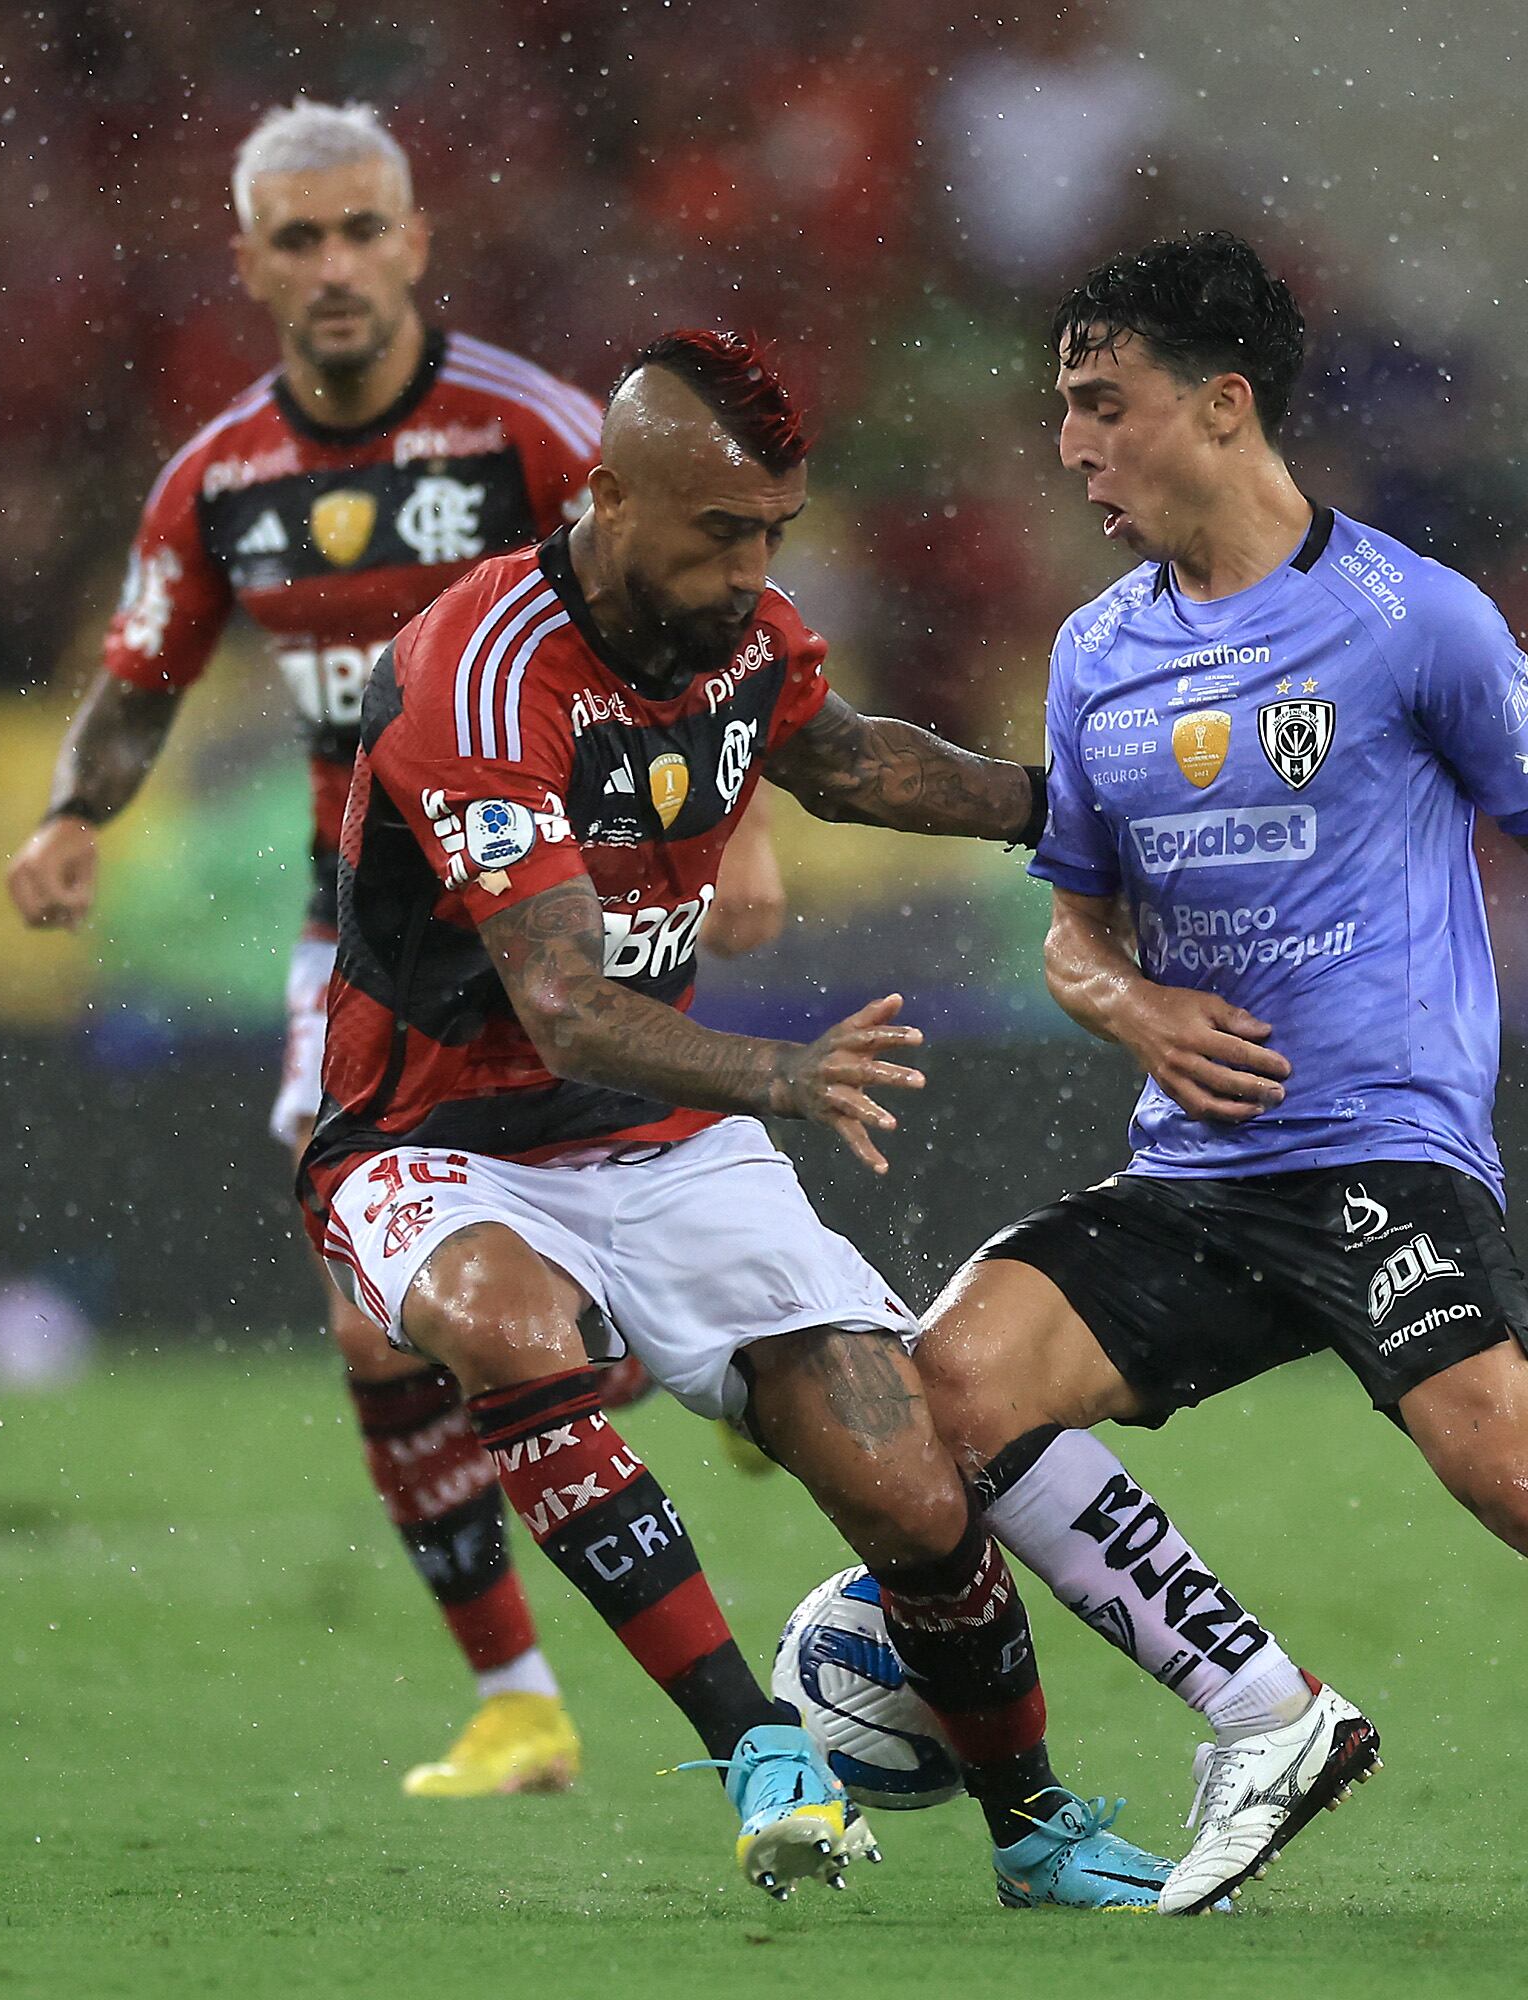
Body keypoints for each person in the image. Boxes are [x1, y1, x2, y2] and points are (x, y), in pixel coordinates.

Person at [912, 234, 1528, 1928]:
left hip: (1380, 1148)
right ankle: (1260, 1710)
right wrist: (1131, 1008)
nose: (1072, 446)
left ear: (1224, 408)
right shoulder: (1094, 656)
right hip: (1196, 1171)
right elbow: (1071, 935)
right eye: (1061, 410)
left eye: (1103, 405)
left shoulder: (1410, 619)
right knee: (953, 1381)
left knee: (1517, 1471)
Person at [298, 327, 1180, 1907]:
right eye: (720, 531)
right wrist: (779, 1074)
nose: (752, 566)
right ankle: (757, 1741)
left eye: (773, 528)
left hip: (650, 1128)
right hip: (427, 1139)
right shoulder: (479, 674)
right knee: (509, 1323)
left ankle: (1037, 1832)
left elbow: (844, 765)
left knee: (907, 1479)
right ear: (609, 496)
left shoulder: (744, 633)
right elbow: (561, 1000)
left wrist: (1056, 811)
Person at [1, 100, 785, 1803]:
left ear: (419, 241)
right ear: (251, 264)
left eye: (365, 230)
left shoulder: (529, 427)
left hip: (570, 902)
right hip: (359, 937)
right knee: (374, 1324)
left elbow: (698, 606)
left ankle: (716, 1357)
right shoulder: (218, 480)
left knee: (563, 1248)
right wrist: (75, 815)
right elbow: (139, 690)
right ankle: (518, 1697)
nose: (337, 265)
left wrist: (754, 826)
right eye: (300, 238)